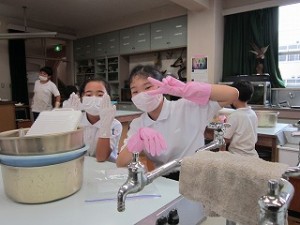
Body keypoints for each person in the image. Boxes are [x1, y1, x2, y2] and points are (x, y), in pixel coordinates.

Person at [116, 65, 239, 180]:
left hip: (196, 177)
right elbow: (121, 162)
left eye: (147, 87)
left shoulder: (188, 107)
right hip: (164, 179)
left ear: (161, 86)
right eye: (135, 91)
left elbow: (232, 95)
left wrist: (185, 90)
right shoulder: (139, 124)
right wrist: (137, 139)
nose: (142, 95)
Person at [74, 78, 122, 162]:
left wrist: (105, 126)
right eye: (89, 95)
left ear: (108, 97)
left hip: (106, 169)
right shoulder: (76, 120)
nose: (94, 98)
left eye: (100, 95)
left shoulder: (114, 125)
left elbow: (101, 157)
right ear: (81, 97)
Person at [223, 80, 259, 157]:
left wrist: (221, 156)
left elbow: (224, 139)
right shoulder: (253, 113)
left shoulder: (235, 115)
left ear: (234, 96)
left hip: (237, 157)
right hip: (253, 156)